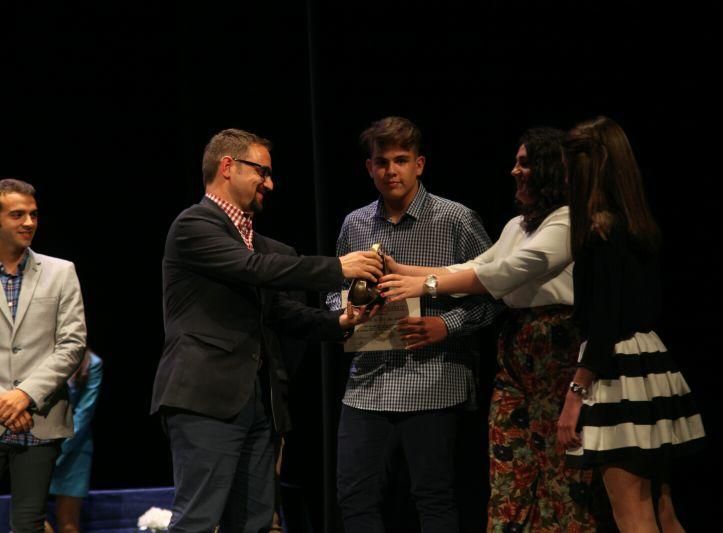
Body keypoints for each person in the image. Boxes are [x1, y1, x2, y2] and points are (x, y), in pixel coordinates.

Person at [150, 128, 384, 532]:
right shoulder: (194, 225)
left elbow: (280, 313)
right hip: (205, 398)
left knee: (256, 522)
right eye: (263, 171)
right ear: (227, 166)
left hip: (259, 404)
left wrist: (340, 323)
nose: (270, 183)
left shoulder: (258, 244)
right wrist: (338, 268)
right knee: (198, 520)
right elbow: (254, 270)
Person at [378, 128, 596, 532]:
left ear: (550, 170)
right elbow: (473, 267)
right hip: (515, 348)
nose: (515, 170)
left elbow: (508, 272)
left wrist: (424, 285)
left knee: (559, 467)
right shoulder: (517, 225)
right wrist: (401, 270)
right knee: (510, 463)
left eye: (526, 163)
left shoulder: (567, 221)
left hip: (554, 347)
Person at [326, 116, 501, 531]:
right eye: (382, 162)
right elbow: (332, 292)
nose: (391, 171)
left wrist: (448, 326)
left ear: (419, 164)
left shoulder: (455, 220)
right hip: (367, 384)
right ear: (369, 168)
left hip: (434, 382)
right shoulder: (355, 224)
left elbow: (498, 296)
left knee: (434, 500)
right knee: (354, 499)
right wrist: (346, 311)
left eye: (401, 160)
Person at [556, 116, 706, 532]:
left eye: (569, 167)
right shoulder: (637, 223)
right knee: (662, 510)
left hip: (617, 374)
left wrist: (574, 396)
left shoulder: (599, 232)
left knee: (633, 516)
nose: (565, 177)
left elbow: (604, 325)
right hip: (650, 367)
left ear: (587, 168)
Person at [0, 178, 87, 532]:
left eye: (33, 215)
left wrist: (24, 395)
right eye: (17, 214)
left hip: (39, 419)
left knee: (28, 522)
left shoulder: (60, 271)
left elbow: (73, 343)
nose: (28, 223)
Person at [44, 348, 102, 533]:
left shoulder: (92, 362)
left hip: (75, 449)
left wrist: (59, 448)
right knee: (31, 519)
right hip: (41, 445)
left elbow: (84, 412)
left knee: (68, 524)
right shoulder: (40, 357)